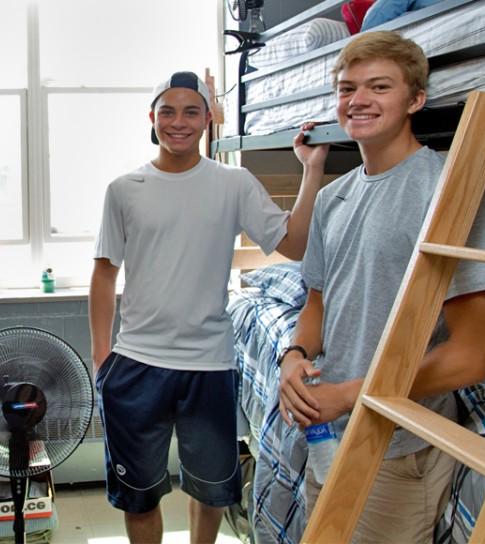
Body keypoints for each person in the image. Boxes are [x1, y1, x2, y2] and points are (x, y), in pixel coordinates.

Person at [277, 31, 485, 542]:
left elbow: (473, 356)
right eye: (346, 88)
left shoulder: (449, 191)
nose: (357, 100)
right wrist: (293, 355)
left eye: (378, 87)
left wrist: (352, 395)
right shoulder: (333, 197)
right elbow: (318, 302)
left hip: (399, 446)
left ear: (415, 100)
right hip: (327, 432)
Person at [89, 70, 327, 543]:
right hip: (137, 364)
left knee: (213, 490)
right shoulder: (124, 189)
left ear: (207, 120)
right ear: (152, 118)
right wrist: (101, 358)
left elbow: (296, 244)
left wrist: (312, 168)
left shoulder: (233, 183)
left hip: (210, 364)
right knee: (139, 494)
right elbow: (104, 273)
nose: (179, 122)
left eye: (191, 111)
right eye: (168, 111)